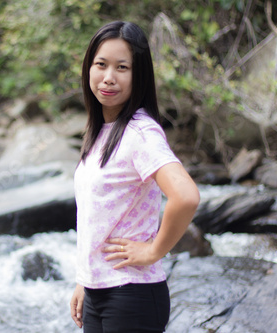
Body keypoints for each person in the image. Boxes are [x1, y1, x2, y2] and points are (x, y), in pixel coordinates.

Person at [69, 21, 200, 333]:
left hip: (132, 295)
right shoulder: (101, 131)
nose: (108, 77)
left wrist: (153, 251)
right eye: (101, 64)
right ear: (89, 68)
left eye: (122, 67)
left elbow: (187, 196)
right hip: (99, 291)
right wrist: (84, 281)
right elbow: (96, 215)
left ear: (138, 74)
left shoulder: (140, 132)